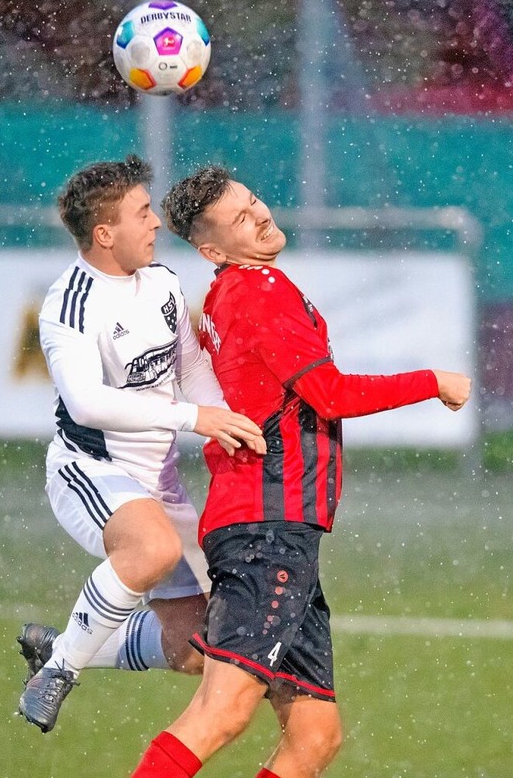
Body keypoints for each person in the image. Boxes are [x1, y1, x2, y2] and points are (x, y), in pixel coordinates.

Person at [128, 166, 472, 778]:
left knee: (315, 735)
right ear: (211, 250)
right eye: (239, 218)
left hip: (277, 527)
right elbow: (329, 394)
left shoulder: (233, 292)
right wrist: (432, 381)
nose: (258, 214)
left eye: (252, 201)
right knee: (223, 710)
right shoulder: (256, 290)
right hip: (267, 526)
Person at [17, 156, 265, 734]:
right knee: (150, 549)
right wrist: (193, 418)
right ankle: (61, 674)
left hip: (160, 483)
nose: (156, 223)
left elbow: (191, 365)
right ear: (105, 234)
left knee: (201, 650)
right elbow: (86, 403)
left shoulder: (163, 283)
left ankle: (62, 648)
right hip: (90, 469)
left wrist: (226, 419)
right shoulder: (70, 304)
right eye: (142, 213)